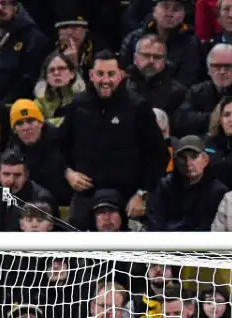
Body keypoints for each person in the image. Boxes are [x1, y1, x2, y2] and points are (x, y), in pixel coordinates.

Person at [59, 51, 166, 230]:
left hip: (129, 197)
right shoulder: (78, 106)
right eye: (100, 74)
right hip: (87, 194)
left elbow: (158, 155)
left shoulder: (138, 107)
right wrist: (68, 172)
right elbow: (59, 147)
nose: (105, 80)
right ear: (91, 75)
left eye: (111, 74)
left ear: (121, 75)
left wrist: (142, 194)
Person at [0, 0, 50, 105]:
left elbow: (30, 78)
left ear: (15, 8)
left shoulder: (33, 38)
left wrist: (2, 105)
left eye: (4, 3)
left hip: (19, 106)